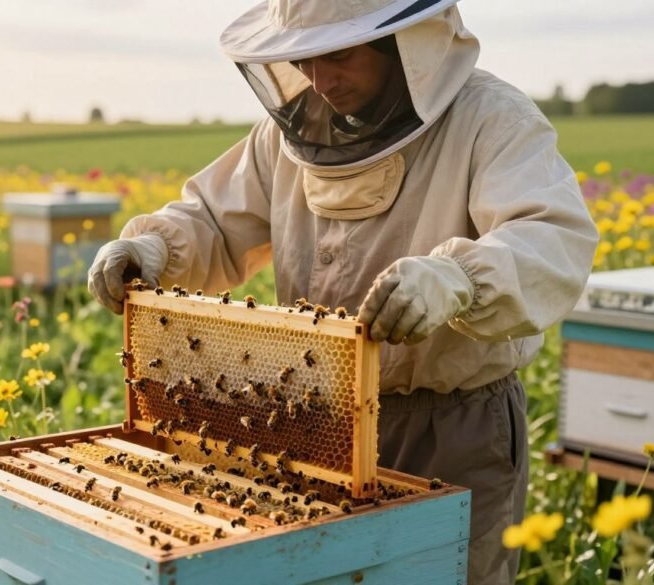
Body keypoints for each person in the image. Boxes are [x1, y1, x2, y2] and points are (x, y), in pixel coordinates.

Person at [88, 1, 597, 582]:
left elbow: (553, 238)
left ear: (408, 43)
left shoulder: (492, 118)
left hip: (450, 428)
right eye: (303, 59)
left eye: (339, 54)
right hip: (315, 422)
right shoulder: (289, 133)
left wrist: (459, 279)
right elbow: (214, 218)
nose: (320, 80)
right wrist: (155, 247)